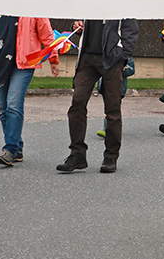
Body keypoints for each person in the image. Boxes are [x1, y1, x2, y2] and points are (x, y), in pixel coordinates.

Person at [0, 14, 61, 165]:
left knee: (13, 105)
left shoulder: (32, 5)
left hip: (24, 64)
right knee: (3, 109)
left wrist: (53, 58)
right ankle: (16, 148)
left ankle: (10, 149)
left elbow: (46, 33)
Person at [59, 16, 139, 174]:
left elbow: (131, 30)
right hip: (87, 58)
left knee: (112, 109)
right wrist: (78, 25)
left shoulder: (121, 1)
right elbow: (82, 22)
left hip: (112, 59)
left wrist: (123, 58)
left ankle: (111, 157)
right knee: (77, 103)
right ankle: (77, 155)